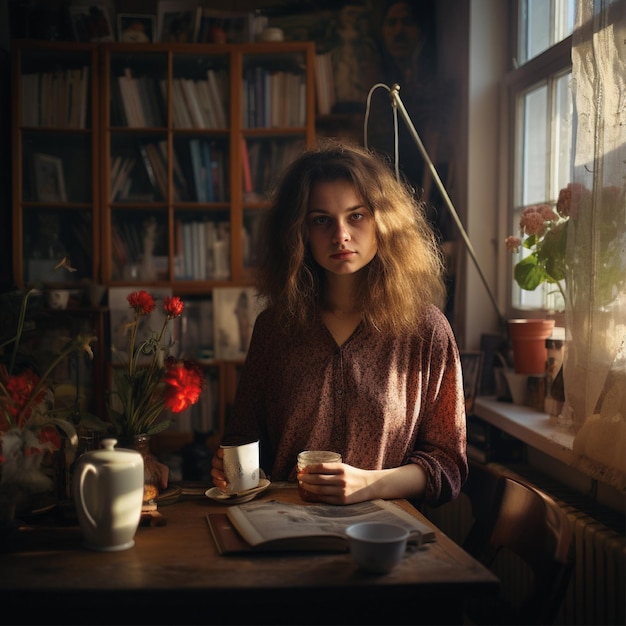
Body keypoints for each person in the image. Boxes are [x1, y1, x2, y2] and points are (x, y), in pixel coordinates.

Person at [211, 140, 467, 507]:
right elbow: (245, 440)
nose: (341, 234)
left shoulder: (425, 331)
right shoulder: (275, 328)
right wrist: (229, 467)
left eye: (356, 215)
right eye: (321, 220)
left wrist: (370, 484)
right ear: (299, 232)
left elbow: (449, 465)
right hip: (284, 527)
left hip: (386, 536)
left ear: (385, 222)